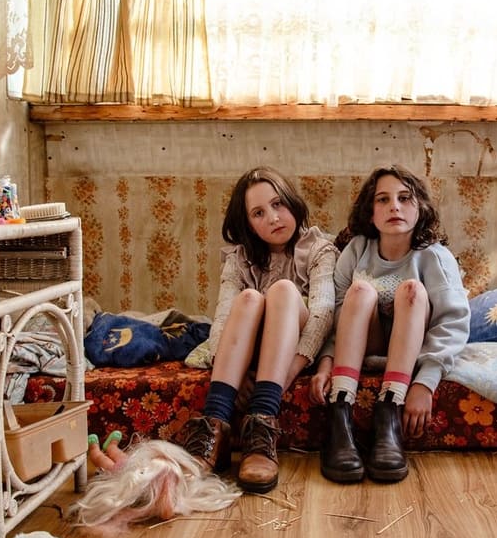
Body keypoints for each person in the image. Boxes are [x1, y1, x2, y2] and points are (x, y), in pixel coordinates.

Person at [177, 167, 338, 493]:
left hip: (294, 349)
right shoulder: (239, 259)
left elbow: (323, 314)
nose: (273, 218)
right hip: (249, 351)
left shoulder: (318, 249)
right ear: (248, 223)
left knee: (283, 290)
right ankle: (215, 425)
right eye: (259, 213)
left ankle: (262, 423)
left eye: (278, 204)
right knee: (249, 298)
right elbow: (222, 318)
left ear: (292, 202)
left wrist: (286, 375)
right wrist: (231, 372)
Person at [311, 165, 470, 483]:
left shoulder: (434, 257)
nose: (394, 206)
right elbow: (333, 316)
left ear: (420, 207)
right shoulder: (356, 250)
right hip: (364, 343)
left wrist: (425, 383)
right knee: (359, 290)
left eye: (404, 198)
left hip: (410, 347)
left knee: (412, 289)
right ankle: (340, 412)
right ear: (370, 213)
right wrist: (326, 361)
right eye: (383, 199)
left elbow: (452, 321)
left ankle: (389, 412)